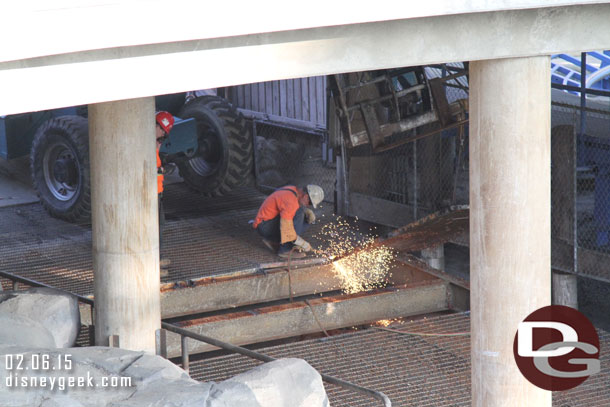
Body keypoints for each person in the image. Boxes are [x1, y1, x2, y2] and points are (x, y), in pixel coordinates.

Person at [253, 185, 324, 259]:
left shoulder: (293, 190)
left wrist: (305, 210)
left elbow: (286, 208)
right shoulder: (290, 201)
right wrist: (302, 243)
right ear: (306, 196)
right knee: (299, 213)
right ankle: (285, 250)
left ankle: (275, 241)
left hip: (265, 223)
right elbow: (286, 227)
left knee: (306, 219)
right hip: (264, 226)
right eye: (310, 203)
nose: (308, 206)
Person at [156, 111, 174, 274]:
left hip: (157, 192)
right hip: (150, 194)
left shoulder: (154, 146)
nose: (163, 135)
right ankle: (152, 265)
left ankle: (158, 258)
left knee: (160, 226)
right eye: (162, 131)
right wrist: (159, 170)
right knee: (154, 228)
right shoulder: (145, 146)